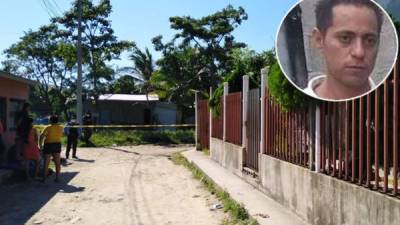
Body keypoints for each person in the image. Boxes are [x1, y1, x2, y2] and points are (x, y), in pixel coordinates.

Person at [304, 0, 383, 100]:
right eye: (345, 38)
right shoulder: (301, 105)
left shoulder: (390, 102)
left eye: (369, 40)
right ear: (319, 40)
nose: (359, 52)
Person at [39, 115, 63, 183]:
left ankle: (44, 179)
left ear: (51, 120)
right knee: (57, 162)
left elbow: (41, 136)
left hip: (48, 145)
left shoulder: (48, 127)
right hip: (57, 144)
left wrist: (40, 145)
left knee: (46, 162)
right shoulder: (61, 127)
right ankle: (57, 177)